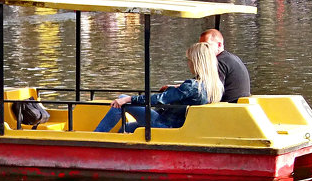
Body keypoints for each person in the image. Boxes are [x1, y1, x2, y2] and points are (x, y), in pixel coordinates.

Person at [92, 43, 222, 133]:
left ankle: (94, 137)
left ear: (196, 62)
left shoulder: (192, 86)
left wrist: (128, 99)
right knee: (129, 128)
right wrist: (176, 88)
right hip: (180, 125)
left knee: (121, 100)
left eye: (189, 60)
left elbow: (159, 99)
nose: (188, 64)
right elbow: (187, 94)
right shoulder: (214, 86)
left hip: (166, 124)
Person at [200, 27, 250, 102]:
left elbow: (210, 92)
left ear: (219, 45)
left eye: (206, 45)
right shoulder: (232, 58)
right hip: (239, 104)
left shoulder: (219, 62)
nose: (202, 49)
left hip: (229, 106)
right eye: (200, 46)